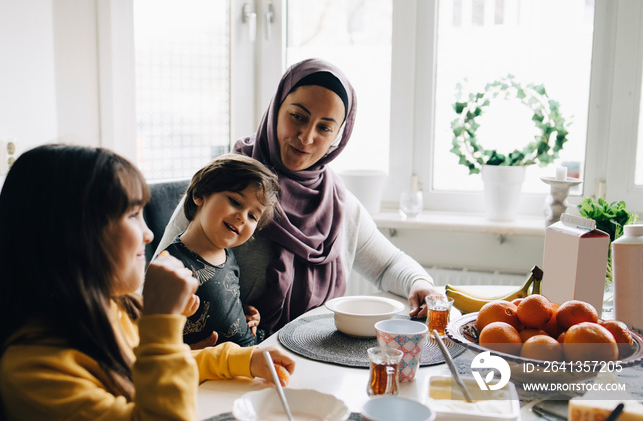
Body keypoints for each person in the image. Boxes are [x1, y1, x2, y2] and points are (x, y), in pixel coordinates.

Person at [0, 144, 295, 421]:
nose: (149, 234)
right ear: (74, 232)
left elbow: (146, 369)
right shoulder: (35, 370)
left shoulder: (112, 309)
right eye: (132, 215)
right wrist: (163, 323)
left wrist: (241, 359)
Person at [156, 58, 441, 336]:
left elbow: (389, 265)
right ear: (276, 109)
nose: (306, 137)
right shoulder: (228, 181)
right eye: (297, 117)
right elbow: (159, 276)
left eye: (324, 127)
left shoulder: (338, 205)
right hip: (232, 361)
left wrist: (420, 283)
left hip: (314, 352)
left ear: (337, 137)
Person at [164, 153, 280, 347]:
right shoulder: (170, 265)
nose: (242, 217)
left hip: (253, 353)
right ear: (200, 194)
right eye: (235, 202)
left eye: (252, 216)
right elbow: (150, 334)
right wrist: (185, 352)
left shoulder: (228, 256)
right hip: (211, 370)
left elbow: (217, 300)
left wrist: (241, 313)